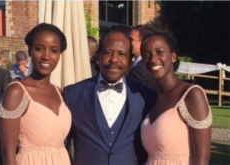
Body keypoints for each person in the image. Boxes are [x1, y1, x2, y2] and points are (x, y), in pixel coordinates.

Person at [63, 31, 157, 165]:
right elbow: (60, 143)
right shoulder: (72, 94)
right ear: (98, 56)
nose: (114, 59)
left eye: (122, 54)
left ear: (130, 60)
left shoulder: (146, 97)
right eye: (108, 52)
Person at [0, 23, 71, 165]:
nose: (46, 56)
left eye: (54, 50)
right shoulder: (17, 92)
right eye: (39, 49)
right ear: (30, 51)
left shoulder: (59, 91)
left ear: (59, 55)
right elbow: (7, 155)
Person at [140, 32, 212, 165]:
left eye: (159, 52)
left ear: (173, 56)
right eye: (146, 55)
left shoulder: (191, 94)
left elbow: (202, 157)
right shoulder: (153, 98)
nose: (152, 59)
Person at [128, 25, 159, 92]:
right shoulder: (157, 65)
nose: (128, 42)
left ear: (143, 42)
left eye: (131, 39)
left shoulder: (138, 70)